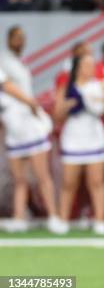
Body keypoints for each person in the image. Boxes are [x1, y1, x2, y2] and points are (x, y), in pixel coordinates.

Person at [0, 26, 61, 234]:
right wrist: (32, 103)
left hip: (29, 126)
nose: (20, 41)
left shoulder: (19, 63)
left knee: (42, 175)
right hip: (15, 127)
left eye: (22, 38)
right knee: (19, 179)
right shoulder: (4, 60)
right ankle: (19, 218)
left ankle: (53, 217)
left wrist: (31, 107)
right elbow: (7, 87)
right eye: (16, 37)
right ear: (8, 39)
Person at [53, 54, 104, 235]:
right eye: (86, 65)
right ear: (77, 67)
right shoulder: (67, 87)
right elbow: (57, 115)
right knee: (68, 183)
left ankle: (100, 221)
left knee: (97, 182)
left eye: (92, 64)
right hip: (73, 139)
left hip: (94, 138)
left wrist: (96, 103)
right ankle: (63, 220)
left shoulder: (100, 85)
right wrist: (69, 104)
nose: (91, 68)